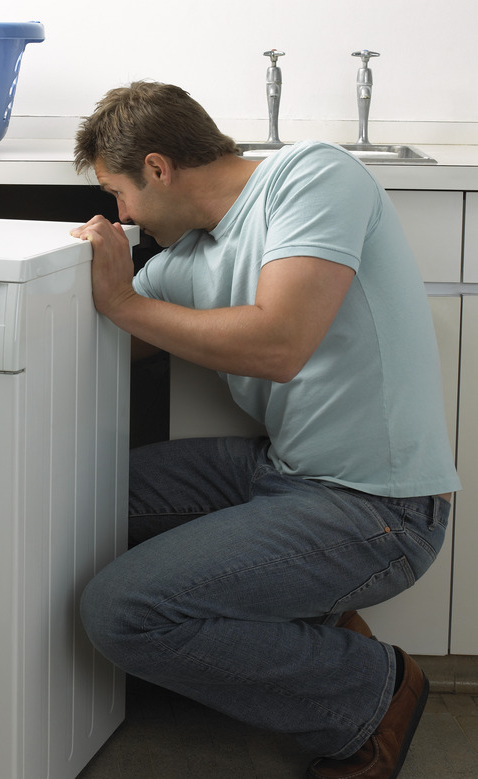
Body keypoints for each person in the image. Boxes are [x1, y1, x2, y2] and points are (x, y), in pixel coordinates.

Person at [69, 81, 461, 779]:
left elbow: (281, 344)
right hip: (283, 472)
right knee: (73, 496)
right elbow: (112, 334)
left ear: (158, 168)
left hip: (382, 508)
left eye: (117, 192)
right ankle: (313, 616)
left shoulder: (311, 176)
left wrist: (125, 301)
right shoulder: (187, 262)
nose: (118, 212)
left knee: (118, 611)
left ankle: (368, 689)